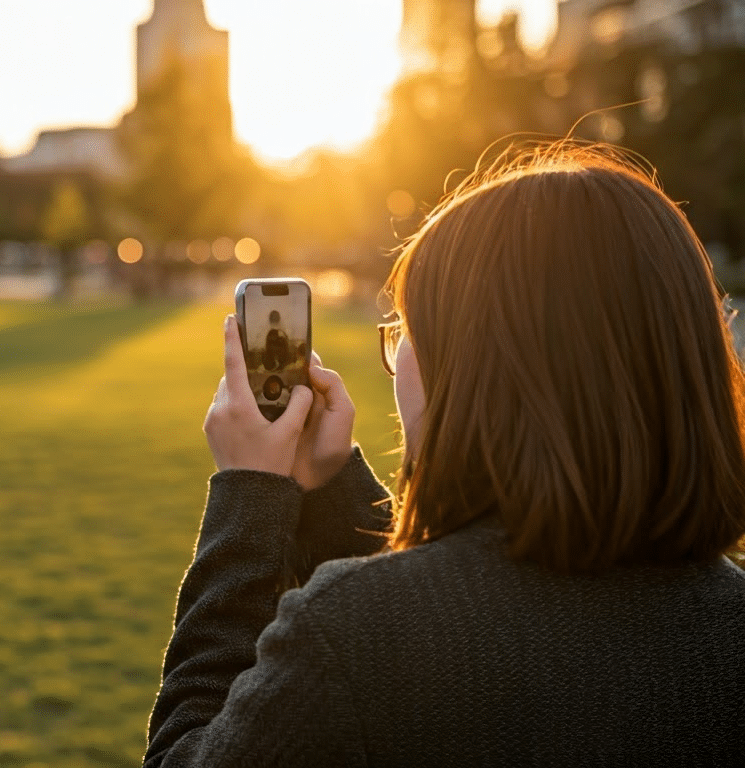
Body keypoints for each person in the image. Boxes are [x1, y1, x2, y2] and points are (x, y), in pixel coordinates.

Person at [145, 144, 745, 766]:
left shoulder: (347, 636)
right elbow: (466, 614)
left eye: (408, 329)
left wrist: (248, 495)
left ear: (477, 365)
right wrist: (331, 491)